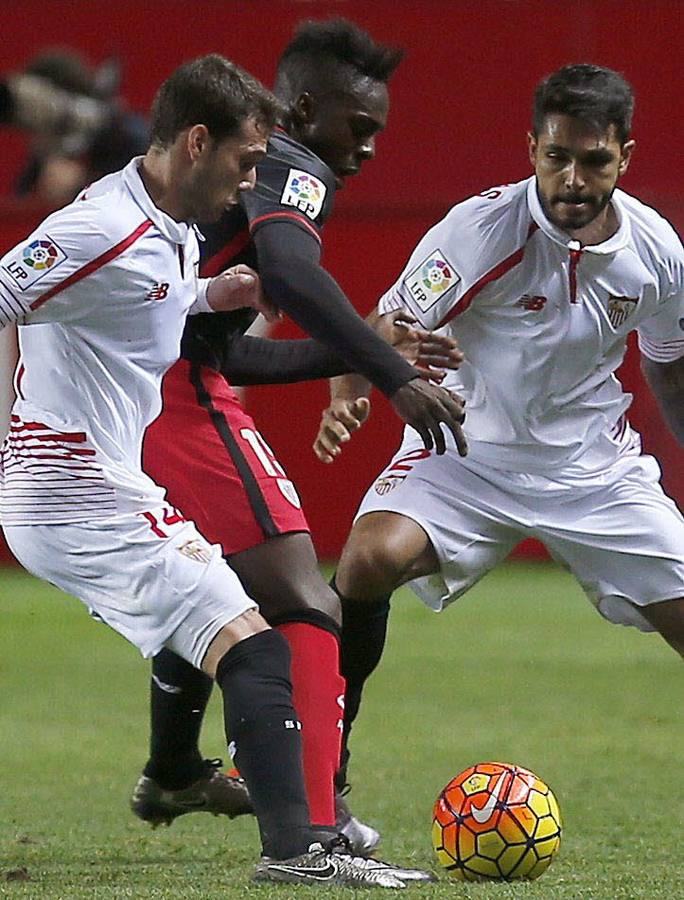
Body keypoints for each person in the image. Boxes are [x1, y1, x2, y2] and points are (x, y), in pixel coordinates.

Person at [0, 53, 434, 888]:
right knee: (255, 644)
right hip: (74, 491)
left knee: (231, 633)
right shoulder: (102, 227)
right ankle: (302, 849)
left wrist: (209, 300)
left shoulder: (157, 223)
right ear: (197, 142)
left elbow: (125, 302)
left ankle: (200, 787)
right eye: (244, 162)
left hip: (92, 488)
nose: (250, 184)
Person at [130, 18, 465, 855]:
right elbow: (287, 273)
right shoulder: (288, 162)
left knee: (211, 590)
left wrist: (349, 354)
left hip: (129, 382)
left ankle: (172, 769)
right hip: (165, 394)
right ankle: (318, 824)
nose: (371, 150)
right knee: (302, 599)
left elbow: (220, 345)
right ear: (305, 108)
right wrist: (388, 373)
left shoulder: (225, 185)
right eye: (361, 127)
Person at [313, 63, 684, 808]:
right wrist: (350, 393)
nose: (573, 180)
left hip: (594, 471)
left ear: (627, 155)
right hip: (463, 450)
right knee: (365, 560)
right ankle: (321, 766)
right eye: (557, 158)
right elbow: (382, 329)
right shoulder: (479, 233)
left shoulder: (658, 254)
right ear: (531, 150)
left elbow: (670, 370)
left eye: (595, 160)